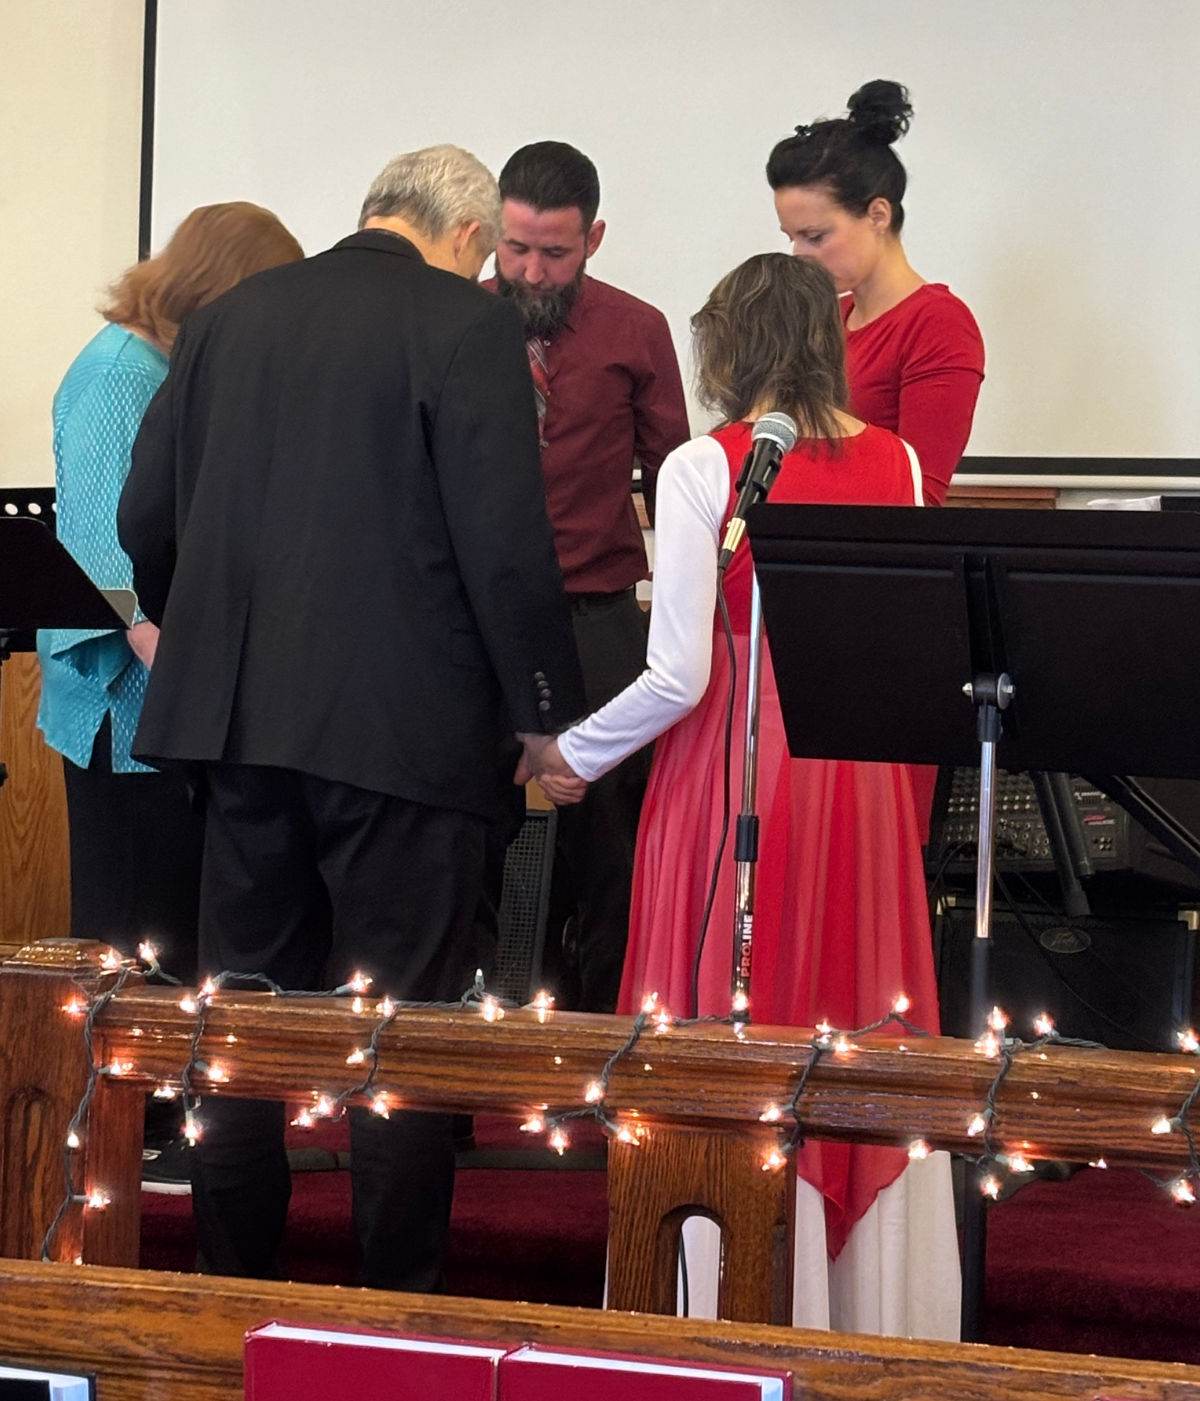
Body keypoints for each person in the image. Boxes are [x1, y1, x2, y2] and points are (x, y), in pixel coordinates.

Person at [117, 145, 586, 1291]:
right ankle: (394, 1314)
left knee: (238, 1027)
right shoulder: (465, 326)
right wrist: (541, 713)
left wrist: (208, 632)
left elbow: (147, 512)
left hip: (234, 730)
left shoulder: (233, 317)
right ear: (470, 237)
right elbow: (506, 551)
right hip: (405, 739)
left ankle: (232, 1293)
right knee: (396, 1034)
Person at [539, 253, 961, 1340]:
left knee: (727, 1012)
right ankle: (869, 1324)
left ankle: (714, 1306)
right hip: (859, 777)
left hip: (737, 765)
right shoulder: (903, 462)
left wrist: (571, 756)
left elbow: (680, 675)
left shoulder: (704, 468)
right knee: (854, 1010)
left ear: (729, 350)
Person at [37, 202, 305, 987]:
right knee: (134, 950)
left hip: (164, 706)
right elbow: (105, 570)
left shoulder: (159, 366)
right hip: (126, 712)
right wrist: (198, 688)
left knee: (171, 947)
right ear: (221, 291)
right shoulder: (120, 374)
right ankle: (135, 1115)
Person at [489, 141, 690, 1013]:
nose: (532, 271)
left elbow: (677, 475)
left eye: (555, 252)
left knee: (610, 838)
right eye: (516, 248)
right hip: (478, 620)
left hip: (597, 615)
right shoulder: (457, 320)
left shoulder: (634, 328)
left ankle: (604, 1036)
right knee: (471, 831)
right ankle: (484, 1022)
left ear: (595, 238)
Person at [768, 80, 985, 507]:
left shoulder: (938, 324)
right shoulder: (825, 318)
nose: (799, 255)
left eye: (815, 236)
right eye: (791, 238)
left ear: (878, 215)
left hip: (875, 555)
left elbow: (918, 490)